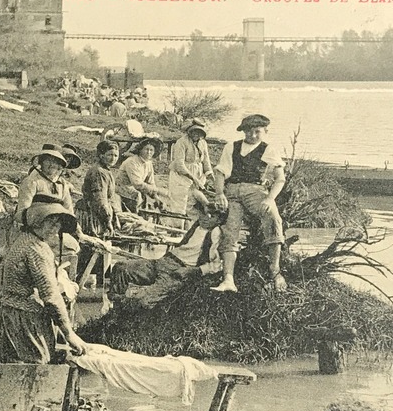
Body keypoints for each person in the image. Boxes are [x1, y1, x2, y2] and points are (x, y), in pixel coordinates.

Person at [0, 202, 88, 363]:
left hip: (6, 313)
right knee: (34, 364)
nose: (55, 228)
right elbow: (50, 295)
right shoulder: (37, 249)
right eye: (50, 222)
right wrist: (69, 333)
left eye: (58, 223)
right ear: (37, 222)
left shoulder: (23, 239)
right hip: (22, 320)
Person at [210, 113, 286, 292]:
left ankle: (275, 270)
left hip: (255, 191)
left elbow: (280, 178)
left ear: (264, 131)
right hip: (232, 191)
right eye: (248, 132)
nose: (252, 136)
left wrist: (269, 199)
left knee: (273, 217)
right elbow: (220, 173)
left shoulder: (268, 149)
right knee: (230, 229)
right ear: (243, 132)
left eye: (257, 132)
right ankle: (228, 279)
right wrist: (219, 193)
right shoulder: (232, 146)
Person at [107, 204, 224, 300]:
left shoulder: (215, 233)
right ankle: (115, 311)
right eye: (203, 213)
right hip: (163, 262)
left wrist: (193, 271)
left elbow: (216, 265)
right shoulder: (197, 225)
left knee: (145, 298)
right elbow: (191, 203)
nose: (205, 217)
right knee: (121, 268)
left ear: (219, 220)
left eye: (212, 216)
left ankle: (125, 308)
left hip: (177, 271)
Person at [15, 145, 80, 271]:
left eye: (57, 163)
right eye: (48, 161)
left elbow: (69, 210)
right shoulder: (32, 182)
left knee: (73, 247)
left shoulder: (62, 186)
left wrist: (78, 231)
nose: (53, 165)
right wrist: (40, 219)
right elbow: (20, 214)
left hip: (55, 230)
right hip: (34, 230)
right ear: (41, 162)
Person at [165, 120, 212, 215]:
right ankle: (177, 225)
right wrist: (193, 178)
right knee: (180, 201)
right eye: (194, 132)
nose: (196, 135)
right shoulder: (181, 142)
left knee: (192, 201)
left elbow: (206, 160)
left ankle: (188, 225)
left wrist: (209, 173)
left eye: (199, 133)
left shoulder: (203, 143)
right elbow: (179, 165)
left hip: (197, 174)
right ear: (189, 132)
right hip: (181, 175)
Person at [78, 140, 121, 238]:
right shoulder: (99, 172)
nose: (113, 158)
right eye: (110, 155)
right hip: (93, 214)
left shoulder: (106, 171)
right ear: (101, 155)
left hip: (99, 212)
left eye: (116, 156)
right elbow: (100, 200)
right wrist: (107, 221)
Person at [118, 136, 162, 214]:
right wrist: (159, 191)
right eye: (146, 149)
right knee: (137, 195)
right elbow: (137, 184)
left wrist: (156, 197)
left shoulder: (148, 163)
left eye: (151, 150)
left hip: (135, 188)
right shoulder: (132, 162)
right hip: (122, 187)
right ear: (140, 150)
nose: (149, 152)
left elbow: (150, 182)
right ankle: (135, 216)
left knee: (149, 197)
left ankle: (143, 215)